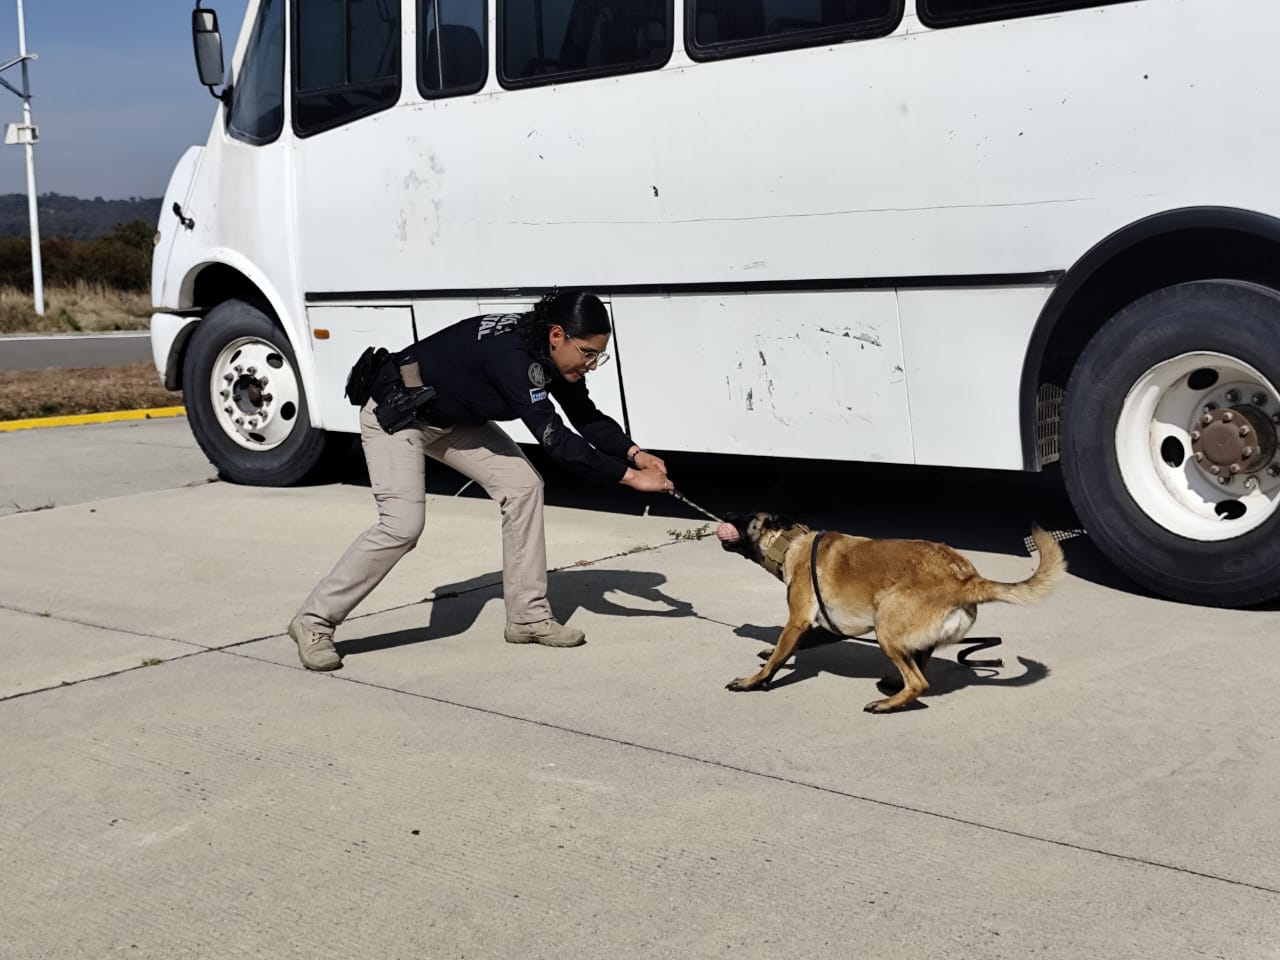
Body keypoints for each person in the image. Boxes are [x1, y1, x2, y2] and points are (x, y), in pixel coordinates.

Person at [287, 291, 674, 670]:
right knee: (402, 525)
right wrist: (630, 478)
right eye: (588, 354)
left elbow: (584, 415)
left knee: (522, 487)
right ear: (558, 335)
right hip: (397, 415)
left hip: (452, 420)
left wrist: (635, 453)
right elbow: (556, 440)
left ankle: (528, 617)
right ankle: (314, 620)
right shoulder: (514, 357)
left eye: (598, 356)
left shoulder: (549, 351)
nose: (591, 364)